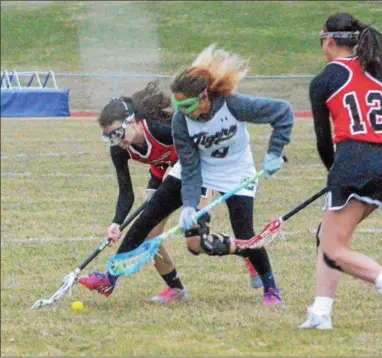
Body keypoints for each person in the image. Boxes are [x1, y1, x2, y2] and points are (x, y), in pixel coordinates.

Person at [78, 82, 263, 303]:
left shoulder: (159, 129)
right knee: (149, 234)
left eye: (117, 133)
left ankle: (248, 252)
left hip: (196, 172)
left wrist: (177, 173)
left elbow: (199, 147)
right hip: (161, 175)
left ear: (132, 122)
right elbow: (126, 192)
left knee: (196, 242)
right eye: (110, 137)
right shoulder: (119, 150)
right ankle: (175, 289)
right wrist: (116, 222)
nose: (116, 141)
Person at [299, 13, 382, 329]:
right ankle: (321, 314)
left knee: (332, 248)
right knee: (327, 236)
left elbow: (324, 142)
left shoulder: (324, 80)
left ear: (328, 41)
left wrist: (336, 173)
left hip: (351, 161)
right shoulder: (380, 70)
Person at [169, 44, 294, 306]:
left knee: (246, 234)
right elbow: (190, 169)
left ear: (204, 97)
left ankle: (270, 286)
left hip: (238, 171)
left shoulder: (233, 105)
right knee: (195, 244)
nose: (182, 111)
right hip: (207, 170)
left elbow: (283, 112)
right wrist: (190, 205)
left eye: (188, 105)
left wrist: (274, 153)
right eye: (177, 105)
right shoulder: (181, 121)